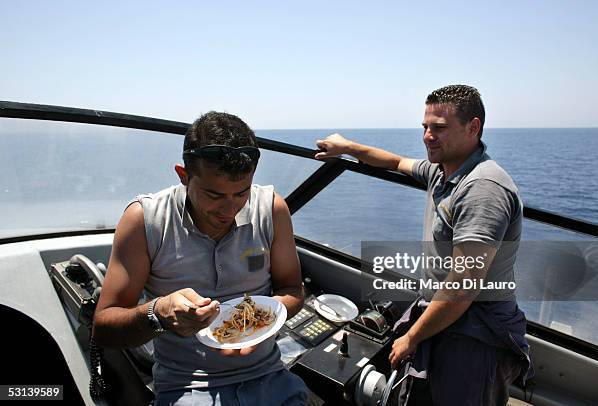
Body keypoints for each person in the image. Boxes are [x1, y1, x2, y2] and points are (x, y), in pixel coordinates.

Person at [315, 85, 533, 405]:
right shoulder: (442, 170)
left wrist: (411, 337)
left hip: (476, 331)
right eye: (425, 127)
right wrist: (347, 147)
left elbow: (462, 287)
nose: (428, 136)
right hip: (445, 316)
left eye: (439, 128)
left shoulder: (483, 189)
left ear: (473, 127)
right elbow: (395, 161)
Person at [93, 112, 308, 405]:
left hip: (268, 375)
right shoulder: (145, 220)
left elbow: (293, 290)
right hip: (187, 385)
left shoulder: (271, 209)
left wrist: (257, 320)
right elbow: (104, 328)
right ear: (183, 176)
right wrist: (158, 314)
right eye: (213, 194)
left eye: (241, 193)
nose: (229, 209)